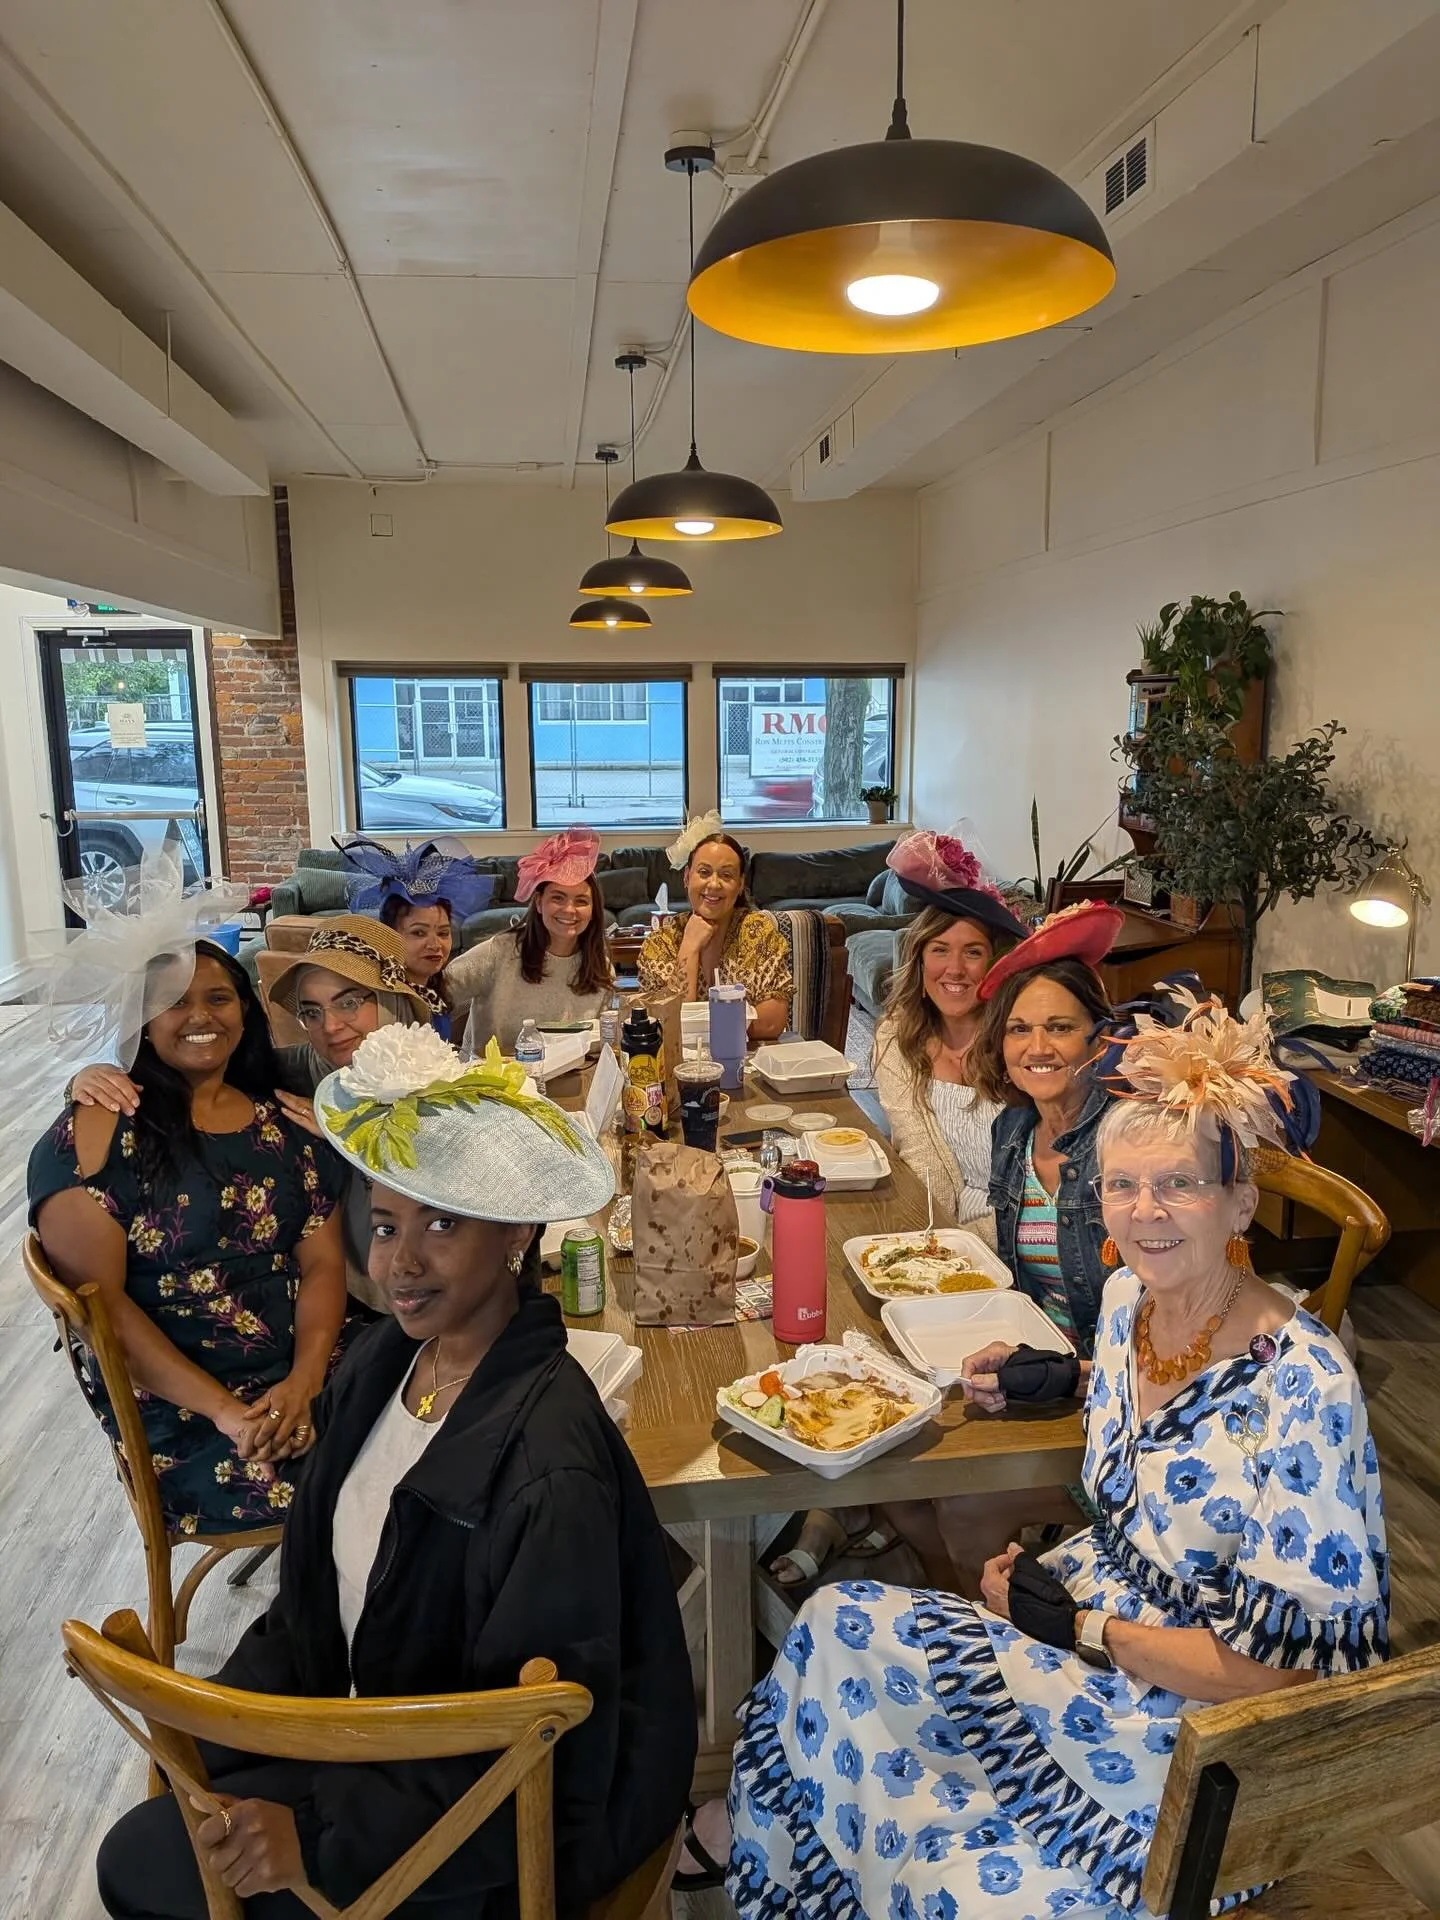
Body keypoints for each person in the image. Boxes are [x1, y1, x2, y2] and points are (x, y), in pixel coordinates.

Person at [720, 991, 1388, 1920]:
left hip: (1203, 1745)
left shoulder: (1303, 1385)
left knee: (948, 1874)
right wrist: (1061, 1378)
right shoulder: (1126, 1302)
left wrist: (1078, 1627)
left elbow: (1292, 1677)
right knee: (835, 1625)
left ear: (1242, 1201)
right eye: (1122, 1184)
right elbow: (1156, 1426)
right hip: (1084, 1633)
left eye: (1181, 1185)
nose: (1145, 1211)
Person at [94, 1024, 697, 1920]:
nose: (399, 1264)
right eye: (383, 1224)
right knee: (157, 1819)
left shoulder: (545, 1468)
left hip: (497, 1832)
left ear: (517, 1235)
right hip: (376, 1729)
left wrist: (324, 1841)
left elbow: (542, 1746)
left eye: (443, 1224)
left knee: (147, 1872)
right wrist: (213, 1720)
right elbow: (312, 1602)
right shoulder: (382, 1364)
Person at [29, 941, 348, 1536]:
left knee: (445, 1428)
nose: (201, 1016)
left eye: (219, 997)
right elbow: (101, 1312)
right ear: (141, 1021)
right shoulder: (100, 1131)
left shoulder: (281, 1119)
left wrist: (305, 1381)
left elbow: (323, 1265)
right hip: (183, 1405)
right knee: (368, 1479)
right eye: (173, 1002)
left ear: (245, 1012)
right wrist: (230, 1414)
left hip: (304, 1363)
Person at [70, 917, 435, 1315]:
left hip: (422, 1292)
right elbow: (208, 1064)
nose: (331, 1026)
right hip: (328, 1299)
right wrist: (86, 1078)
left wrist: (350, 1145)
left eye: (349, 1002)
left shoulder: (446, 1087)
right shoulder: (296, 1075)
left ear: (392, 999)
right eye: (312, 1012)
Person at [872, 828, 1028, 1238]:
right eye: (940, 950)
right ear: (920, 959)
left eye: (972, 952)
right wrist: (935, 1242)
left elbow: (1045, 1184)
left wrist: (969, 1244)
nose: (954, 970)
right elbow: (921, 1156)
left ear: (994, 963)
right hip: (941, 1230)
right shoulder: (897, 1039)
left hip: (1021, 1233)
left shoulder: (1021, 1043)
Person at [446, 825, 613, 1052]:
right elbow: (434, 997)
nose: (569, 909)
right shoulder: (497, 953)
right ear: (538, 902)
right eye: (558, 898)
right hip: (495, 1082)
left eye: (581, 901)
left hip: (572, 1081)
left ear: (594, 909)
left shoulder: (600, 968)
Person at [638, 813, 792, 1040]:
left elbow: (771, 1023)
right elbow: (666, 1026)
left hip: (747, 1062)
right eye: (704, 872)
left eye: (726, 875)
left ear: (740, 885)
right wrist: (689, 948)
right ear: (687, 877)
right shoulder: (660, 944)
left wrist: (702, 1027)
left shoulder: (758, 933)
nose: (714, 884)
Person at [338, 836, 496, 1040]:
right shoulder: (382, 1005)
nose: (435, 944)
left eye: (443, 933)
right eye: (418, 933)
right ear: (389, 935)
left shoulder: (438, 990)